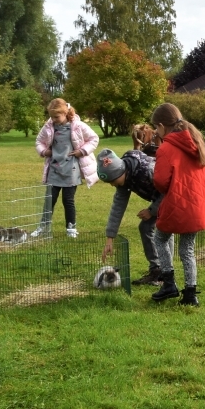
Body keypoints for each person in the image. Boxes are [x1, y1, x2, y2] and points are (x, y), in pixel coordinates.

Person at [148, 102, 205, 306]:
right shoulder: (197, 141)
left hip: (178, 203)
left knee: (160, 239)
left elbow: (161, 181)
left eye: (156, 127)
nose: (156, 131)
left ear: (163, 125)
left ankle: (169, 282)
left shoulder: (166, 147)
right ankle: (190, 293)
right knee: (187, 249)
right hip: (198, 205)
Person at [98, 146, 166, 289]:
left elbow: (169, 191)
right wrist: (110, 237)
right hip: (160, 198)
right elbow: (118, 207)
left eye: (113, 180)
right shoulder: (124, 178)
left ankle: (166, 274)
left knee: (163, 230)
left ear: (121, 172)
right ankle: (156, 270)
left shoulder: (148, 170)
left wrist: (152, 211)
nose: (112, 184)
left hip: (174, 197)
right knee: (146, 227)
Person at [34, 99, 99, 237]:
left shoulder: (78, 126)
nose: (54, 120)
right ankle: (43, 227)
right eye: (51, 117)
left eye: (56, 117)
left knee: (68, 200)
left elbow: (94, 138)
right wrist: (45, 152)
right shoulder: (49, 127)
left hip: (71, 169)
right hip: (54, 169)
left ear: (65, 113)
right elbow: (39, 141)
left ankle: (71, 228)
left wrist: (82, 151)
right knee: (49, 200)